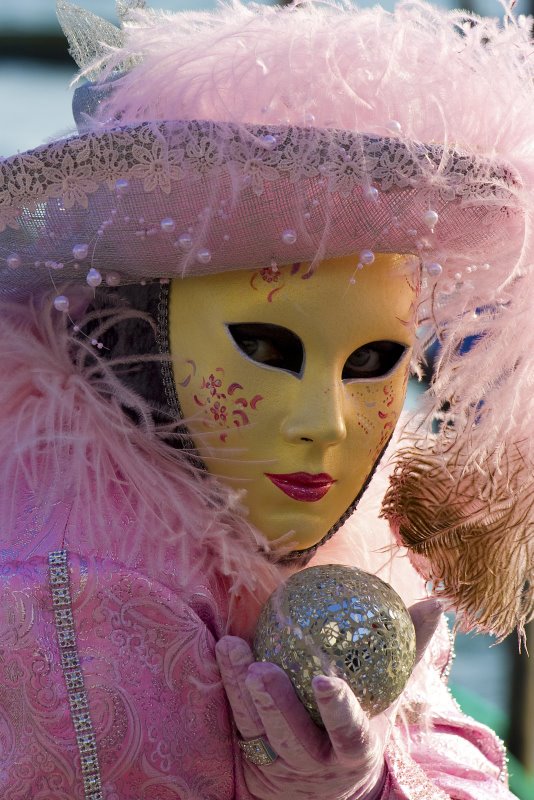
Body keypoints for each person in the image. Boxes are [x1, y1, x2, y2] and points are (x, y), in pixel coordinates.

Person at [0, 1, 532, 798]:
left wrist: (369, 780)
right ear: (143, 338)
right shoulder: (69, 592)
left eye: (376, 362)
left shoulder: (370, 553)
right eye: (268, 350)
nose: (323, 424)